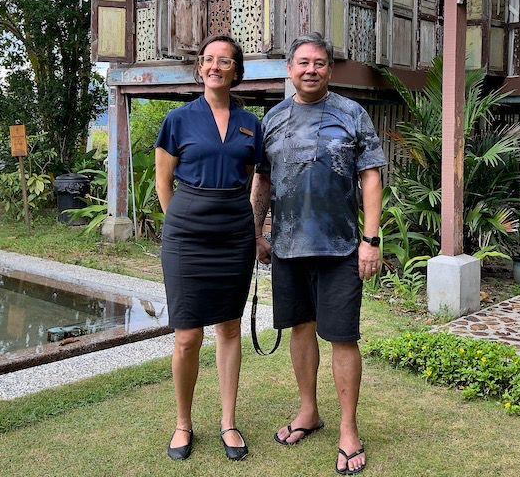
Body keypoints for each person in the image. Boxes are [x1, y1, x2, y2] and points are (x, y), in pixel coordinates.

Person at [251, 32, 385, 476]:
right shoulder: (271, 120)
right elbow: (264, 182)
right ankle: (308, 410)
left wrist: (371, 240)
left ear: (330, 69)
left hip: (342, 246)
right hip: (288, 248)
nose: (311, 70)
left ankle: (349, 429)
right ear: (290, 69)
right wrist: (256, 233)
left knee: (343, 336)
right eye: (303, 63)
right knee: (300, 330)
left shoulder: (352, 114)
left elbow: (370, 178)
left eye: (320, 63)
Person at [155, 34, 263, 462]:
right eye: (208, 60)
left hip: (234, 235)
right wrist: (180, 221)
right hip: (186, 236)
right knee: (186, 336)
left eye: (224, 60)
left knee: (229, 328)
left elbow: (251, 176)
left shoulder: (250, 124)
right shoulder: (178, 119)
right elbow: (164, 181)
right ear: (200, 68)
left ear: (236, 70)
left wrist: (251, 228)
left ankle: (228, 421)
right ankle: (183, 423)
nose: (215, 66)